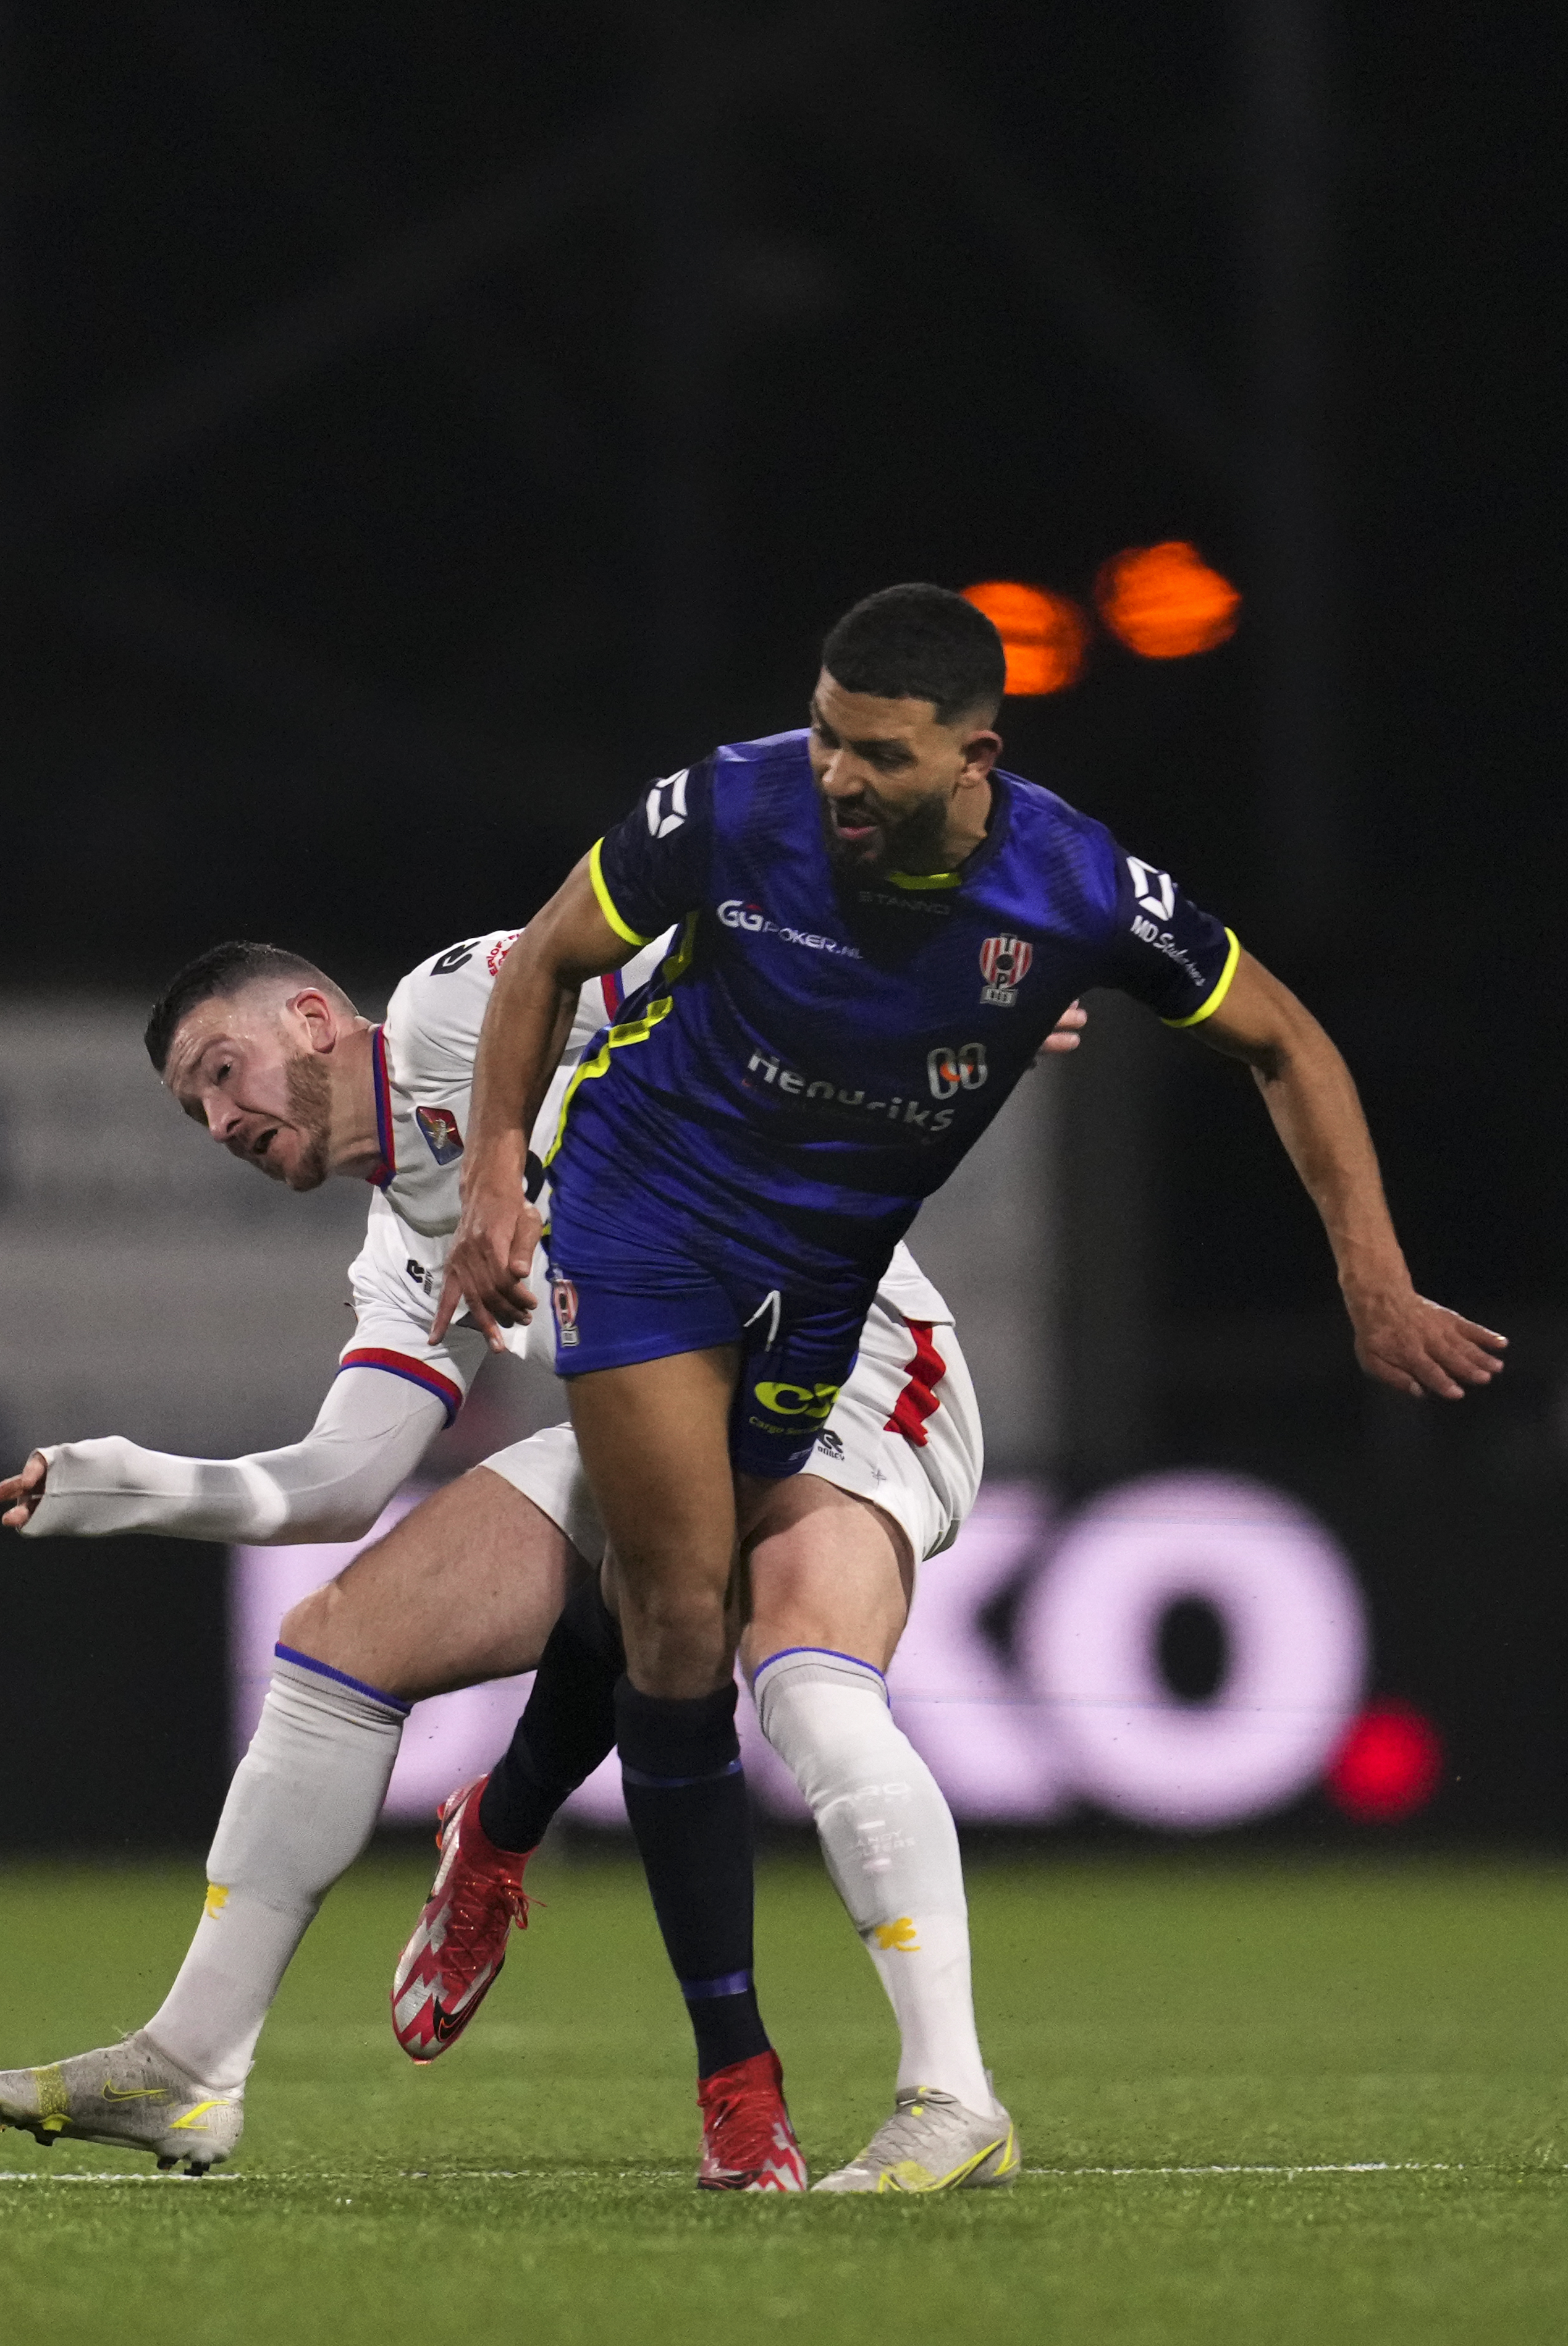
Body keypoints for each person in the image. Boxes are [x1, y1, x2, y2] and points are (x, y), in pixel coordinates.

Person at [425, 584, 1503, 2180]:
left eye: (876, 753)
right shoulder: (731, 803)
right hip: (647, 1210)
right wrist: (499, 1179)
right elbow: (547, 961)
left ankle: (497, 1818)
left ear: (974, 755)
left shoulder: (1075, 884)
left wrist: (1372, 1275)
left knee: (680, 1589)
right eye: (825, 735)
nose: (837, 777)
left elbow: (1286, 1040)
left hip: (830, 1275)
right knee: (677, 1604)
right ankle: (741, 2076)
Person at [0, 927, 1070, 2188]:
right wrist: (126, 1485)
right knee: (339, 1640)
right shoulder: (402, 1253)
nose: (216, 1119)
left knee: (807, 1685)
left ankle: (950, 2093)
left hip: (850, 1369)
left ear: (317, 1020)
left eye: (222, 1071)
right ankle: (188, 2066)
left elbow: (705, 943)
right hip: (655, 1418)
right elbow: (340, 1483)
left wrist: (923, 1006)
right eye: (191, 1108)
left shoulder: (456, 1005)